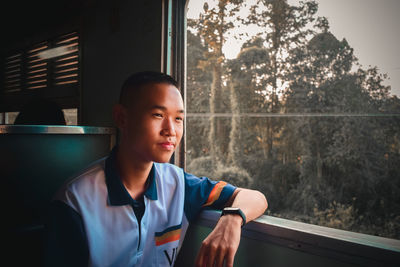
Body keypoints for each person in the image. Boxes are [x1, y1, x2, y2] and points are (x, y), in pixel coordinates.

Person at [45, 71, 268, 267]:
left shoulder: (179, 186)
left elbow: (254, 197)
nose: (171, 130)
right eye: (158, 115)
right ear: (122, 118)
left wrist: (231, 220)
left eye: (178, 118)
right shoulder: (75, 202)